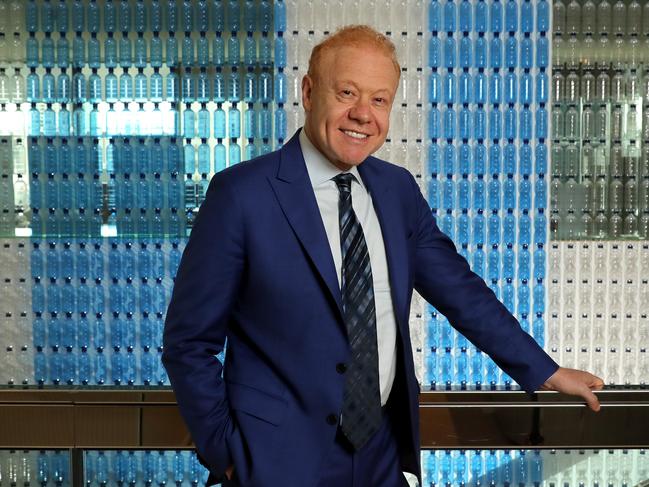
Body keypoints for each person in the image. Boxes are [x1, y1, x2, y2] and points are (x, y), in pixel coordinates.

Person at [162, 25, 604, 487]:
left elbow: (462, 294)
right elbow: (188, 341)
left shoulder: (396, 191)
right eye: (347, 92)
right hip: (274, 462)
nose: (362, 114)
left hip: (381, 457)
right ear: (309, 92)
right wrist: (227, 456)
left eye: (379, 100)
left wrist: (546, 371)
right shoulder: (241, 194)